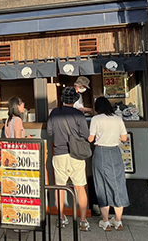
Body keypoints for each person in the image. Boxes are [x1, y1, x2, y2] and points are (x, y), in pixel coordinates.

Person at [47, 86, 91, 231]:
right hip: (76, 155)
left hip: (59, 154)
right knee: (80, 187)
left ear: (62, 99)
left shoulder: (54, 113)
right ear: (75, 99)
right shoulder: (79, 115)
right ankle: (83, 221)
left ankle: (61, 218)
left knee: (60, 188)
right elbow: (85, 134)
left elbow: (50, 131)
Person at [88, 97, 130, 231]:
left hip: (100, 152)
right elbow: (124, 138)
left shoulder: (96, 119)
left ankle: (105, 221)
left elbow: (90, 138)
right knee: (118, 184)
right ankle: (118, 221)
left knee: (102, 184)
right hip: (115, 151)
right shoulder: (118, 118)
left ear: (97, 108)